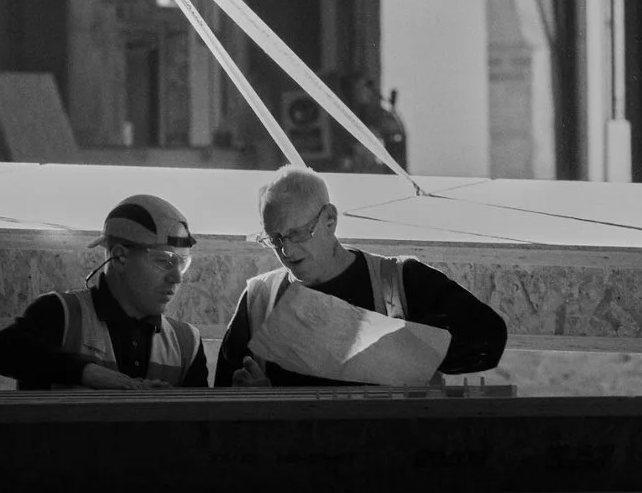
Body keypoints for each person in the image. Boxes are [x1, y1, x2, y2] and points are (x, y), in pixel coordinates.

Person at [214, 166, 506, 387]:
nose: (286, 250)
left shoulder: (400, 282)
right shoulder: (258, 300)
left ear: (330, 219)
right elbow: (220, 403)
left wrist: (403, 352)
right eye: (275, 239)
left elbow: (489, 340)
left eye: (296, 234)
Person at [0, 193, 208, 389]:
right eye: (164, 261)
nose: (177, 277)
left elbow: (202, 429)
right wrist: (91, 374)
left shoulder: (187, 342)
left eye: (183, 264)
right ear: (120, 256)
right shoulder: (61, 315)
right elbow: (1, 351)